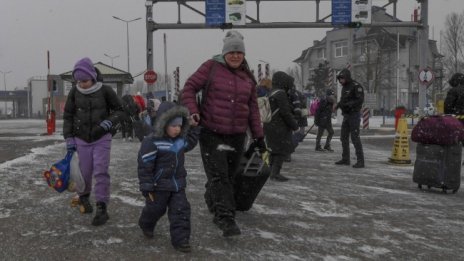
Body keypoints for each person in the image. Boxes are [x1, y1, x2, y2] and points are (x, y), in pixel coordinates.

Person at [181, 30, 265, 237]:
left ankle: (213, 198)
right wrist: (193, 111)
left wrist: (259, 136)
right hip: (212, 133)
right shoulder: (210, 67)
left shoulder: (248, 76)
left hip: (237, 135)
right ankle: (225, 217)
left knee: (228, 175)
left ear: (244, 54)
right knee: (219, 176)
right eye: (231, 52)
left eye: (239, 52)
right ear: (224, 53)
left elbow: (253, 108)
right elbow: (189, 89)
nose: (235, 55)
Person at [63, 57, 124, 226]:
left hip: (101, 138)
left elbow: (120, 110)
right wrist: (69, 137)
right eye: (78, 81)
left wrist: (109, 122)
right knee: (84, 173)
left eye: (85, 80)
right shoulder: (74, 92)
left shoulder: (105, 90)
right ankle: (84, 198)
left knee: (101, 171)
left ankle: (102, 207)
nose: (82, 84)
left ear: (92, 77)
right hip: (81, 139)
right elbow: (68, 116)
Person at [137, 102, 199, 253]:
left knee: (181, 210)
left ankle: (181, 240)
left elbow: (190, 142)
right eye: (173, 125)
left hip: (177, 185)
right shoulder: (152, 141)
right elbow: (145, 165)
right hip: (159, 186)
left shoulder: (179, 141)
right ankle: (146, 224)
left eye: (180, 125)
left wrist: (195, 128)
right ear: (163, 123)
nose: (177, 129)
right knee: (155, 210)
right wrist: (146, 185)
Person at [264, 71, 299, 181]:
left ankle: (271, 172)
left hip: (269, 125)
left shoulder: (270, 92)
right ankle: (275, 173)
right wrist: (294, 125)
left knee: (272, 149)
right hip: (279, 127)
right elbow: (285, 113)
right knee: (281, 150)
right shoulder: (281, 93)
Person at [334, 68, 365, 168]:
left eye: (342, 78)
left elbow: (359, 100)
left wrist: (349, 105)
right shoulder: (344, 88)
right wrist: (337, 106)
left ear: (347, 77)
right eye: (339, 79)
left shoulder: (356, 86)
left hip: (354, 115)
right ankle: (345, 158)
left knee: (355, 138)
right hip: (346, 116)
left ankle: (360, 161)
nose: (340, 81)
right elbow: (343, 100)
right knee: (343, 137)